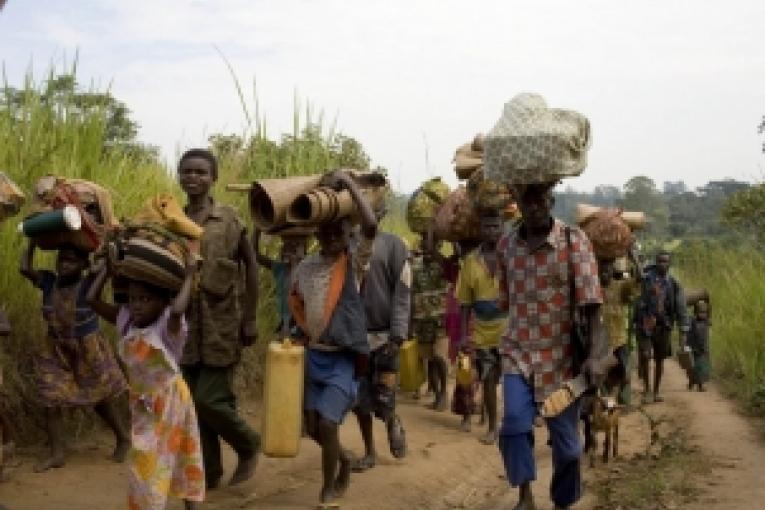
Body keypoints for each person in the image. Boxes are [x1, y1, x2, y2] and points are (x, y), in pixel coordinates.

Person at [496, 182, 605, 510]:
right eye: (526, 200)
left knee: (569, 450)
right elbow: (505, 300)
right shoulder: (506, 246)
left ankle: (562, 500)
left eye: (539, 199)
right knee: (514, 424)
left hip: (561, 360)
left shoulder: (573, 241)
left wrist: (596, 356)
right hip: (518, 352)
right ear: (517, 202)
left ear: (551, 200)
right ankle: (525, 496)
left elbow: (592, 306)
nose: (533, 207)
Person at [88, 252, 204, 510]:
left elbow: (177, 310)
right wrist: (107, 269)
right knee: (146, 462)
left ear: (163, 302)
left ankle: (191, 507)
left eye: (145, 299)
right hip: (143, 405)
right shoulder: (127, 320)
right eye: (133, 299)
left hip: (172, 401)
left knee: (185, 454)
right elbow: (91, 299)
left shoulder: (167, 326)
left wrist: (189, 274)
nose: (137, 305)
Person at [288, 170, 375, 508]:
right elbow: (297, 305)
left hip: (342, 361)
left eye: (337, 231)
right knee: (312, 427)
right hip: (313, 356)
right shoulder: (306, 267)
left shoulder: (353, 264)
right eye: (324, 231)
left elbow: (370, 226)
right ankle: (343, 460)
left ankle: (328, 488)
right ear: (317, 234)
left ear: (346, 233)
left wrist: (349, 184)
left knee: (327, 422)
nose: (331, 237)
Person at [177, 148, 260, 489]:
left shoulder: (229, 220)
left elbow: (251, 267)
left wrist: (251, 318)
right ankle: (208, 472)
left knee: (209, 399)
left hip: (221, 324)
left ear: (213, 178)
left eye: (200, 172)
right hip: (182, 329)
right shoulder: (172, 220)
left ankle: (248, 443)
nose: (193, 177)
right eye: (187, 171)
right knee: (193, 407)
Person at [20, 242, 129, 473]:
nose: (64, 264)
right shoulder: (49, 281)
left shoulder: (89, 283)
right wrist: (32, 241)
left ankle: (123, 438)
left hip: (86, 347)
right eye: (61, 259)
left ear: (83, 265)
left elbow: (109, 268)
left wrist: (107, 253)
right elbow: (24, 268)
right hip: (55, 348)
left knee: (101, 397)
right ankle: (57, 453)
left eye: (71, 260)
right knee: (50, 398)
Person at [350, 201, 410, 472]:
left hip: (386, 335)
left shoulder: (394, 245)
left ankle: (391, 421)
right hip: (354, 338)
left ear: (380, 214)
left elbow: (403, 290)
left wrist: (398, 334)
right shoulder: (344, 245)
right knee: (359, 399)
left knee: (384, 395)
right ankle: (369, 452)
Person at [455, 211, 506, 444]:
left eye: (495, 226)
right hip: (483, 331)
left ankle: (520, 420)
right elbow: (465, 303)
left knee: (515, 378)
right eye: (487, 227)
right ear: (480, 230)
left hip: (511, 329)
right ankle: (493, 426)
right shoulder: (470, 262)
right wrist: (464, 335)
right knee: (487, 379)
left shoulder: (511, 256)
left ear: (503, 227)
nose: (491, 232)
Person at [635, 251, 688, 404]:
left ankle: (656, 391)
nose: (662, 264)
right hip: (645, 323)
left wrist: (683, 330)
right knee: (645, 355)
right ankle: (647, 389)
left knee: (659, 359)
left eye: (665, 262)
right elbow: (637, 278)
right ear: (655, 262)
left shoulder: (673, 283)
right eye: (660, 261)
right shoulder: (646, 278)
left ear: (670, 264)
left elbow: (681, 307)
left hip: (663, 325)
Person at [254, 229, 308, 337]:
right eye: (285, 247)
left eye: (294, 247)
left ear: (304, 251)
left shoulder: (307, 268)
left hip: (301, 321)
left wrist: (295, 263)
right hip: (284, 320)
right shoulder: (280, 268)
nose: (287, 250)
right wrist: (257, 231)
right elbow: (255, 255)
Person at [685, 300, 711, 392]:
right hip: (694, 348)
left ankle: (698, 384)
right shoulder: (692, 321)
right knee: (694, 367)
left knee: (702, 367)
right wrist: (687, 345)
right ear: (696, 312)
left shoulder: (706, 321)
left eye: (704, 312)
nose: (703, 314)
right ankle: (694, 383)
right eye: (701, 312)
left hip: (703, 348)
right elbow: (688, 334)